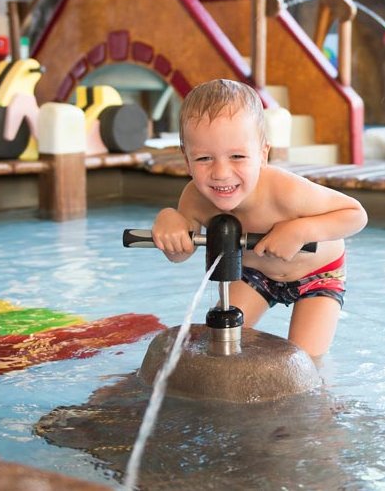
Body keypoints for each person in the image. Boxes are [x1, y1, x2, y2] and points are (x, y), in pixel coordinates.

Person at [150, 79, 368, 357]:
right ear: (186, 159)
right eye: (204, 158)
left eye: (238, 156)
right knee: (218, 344)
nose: (221, 173)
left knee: (305, 361)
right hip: (257, 275)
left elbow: (355, 215)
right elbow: (180, 255)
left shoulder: (284, 191)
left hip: (318, 273)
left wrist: (300, 230)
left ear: (263, 154)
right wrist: (170, 221)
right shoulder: (194, 198)